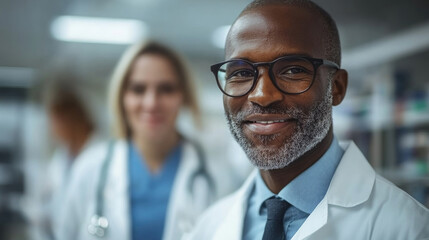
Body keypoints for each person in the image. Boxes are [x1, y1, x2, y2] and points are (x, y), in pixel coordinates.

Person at [186, 0, 429, 239]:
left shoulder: (408, 228)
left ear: (337, 87)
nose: (262, 95)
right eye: (241, 73)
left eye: (292, 70)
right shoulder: (209, 227)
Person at [56, 41, 219, 240]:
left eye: (166, 89)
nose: (151, 103)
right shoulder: (90, 169)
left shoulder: (216, 174)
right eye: (138, 89)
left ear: (183, 96)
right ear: (122, 97)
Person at [39, 82, 101, 239]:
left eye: (54, 121)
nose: (51, 128)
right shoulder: (61, 157)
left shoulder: (102, 155)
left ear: (70, 118)